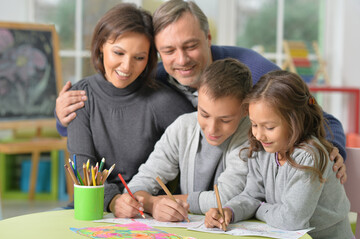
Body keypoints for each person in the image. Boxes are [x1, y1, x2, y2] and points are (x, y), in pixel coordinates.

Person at [55, 0, 347, 180]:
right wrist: (61, 115)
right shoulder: (152, 77)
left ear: (208, 38)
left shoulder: (253, 72)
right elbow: (106, 106)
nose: (181, 60)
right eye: (168, 50)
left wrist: (333, 148)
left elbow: (323, 119)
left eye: (191, 45)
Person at [66, 3, 194, 211]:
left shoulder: (162, 100)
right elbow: (82, 166)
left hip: (149, 212)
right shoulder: (81, 96)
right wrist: (114, 201)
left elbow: (204, 144)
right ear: (101, 46)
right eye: (118, 53)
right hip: (92, 207)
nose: (126, 67)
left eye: (139, 58)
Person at [204, 70, 354, 239]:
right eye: (254, 125)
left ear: (295, 121)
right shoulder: (262, 150)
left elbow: (292, 220)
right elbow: (252, 196)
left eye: (269, 127)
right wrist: (229, 210)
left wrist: (259, 208)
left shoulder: (309, 156)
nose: (259, 135)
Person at [116, 58, 252, 222]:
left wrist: (161, 201)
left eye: (225, 120)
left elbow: (225, 198)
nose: (212, 129)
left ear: (246, 110)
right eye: (204, 114)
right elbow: (140, 183)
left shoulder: (252, 135)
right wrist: (151, 203)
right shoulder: (183, 127)